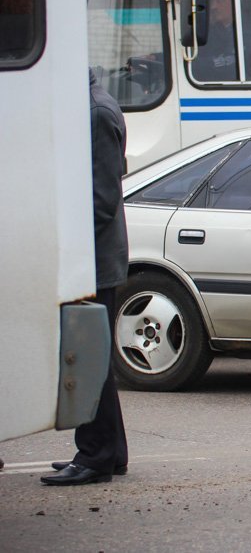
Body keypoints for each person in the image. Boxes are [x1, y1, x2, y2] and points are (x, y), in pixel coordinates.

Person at [41, 69, 129, 486]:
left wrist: (62, 247)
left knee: (89, 359)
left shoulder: (93, 112)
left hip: (92, 262)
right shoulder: (93, 103)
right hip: (95, 259)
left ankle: (96, 455)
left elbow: (100, 201)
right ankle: (111, 452)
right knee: (98, 359)